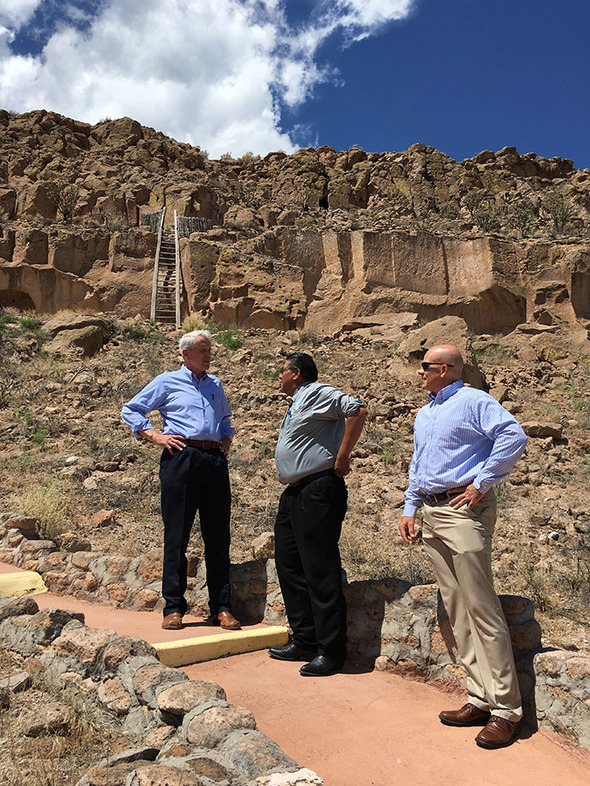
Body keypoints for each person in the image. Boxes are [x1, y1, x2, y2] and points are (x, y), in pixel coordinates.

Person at [399, 344, 527, 749]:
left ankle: (506, 710)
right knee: (457, 608)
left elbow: (513, 436)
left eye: (425, 366)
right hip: (432, 511)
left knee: (482, 608)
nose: (420, 372)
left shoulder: (473, 400)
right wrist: (410, 507)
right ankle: (479, 697)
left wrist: (481, 483)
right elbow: (419, 462)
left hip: (463, 510)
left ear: (446, 369)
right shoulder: (426, 412)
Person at [121, 330, 241, 631]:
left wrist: (226, 439)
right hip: (181, 457)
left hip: (214, 460)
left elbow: (225, 418)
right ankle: (173, 608)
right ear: (186, 354)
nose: (208, 355)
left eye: (209, 350)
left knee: (218, 536)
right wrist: (154, 436)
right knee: (177, 535)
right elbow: (131, 409)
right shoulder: (167, 381)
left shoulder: (215, 384)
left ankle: (221, 608)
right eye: (203, 350)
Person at [268, 352, 367, 676]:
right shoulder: (298, 399)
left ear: (296, 373)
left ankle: (331, 651)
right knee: (290, 565)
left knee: (320, 570)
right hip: (295, 492)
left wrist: (343, 456)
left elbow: (357, 409)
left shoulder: (317, 392)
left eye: (282, 371)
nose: (279, 376)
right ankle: (305, 639)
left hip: (318, 489)